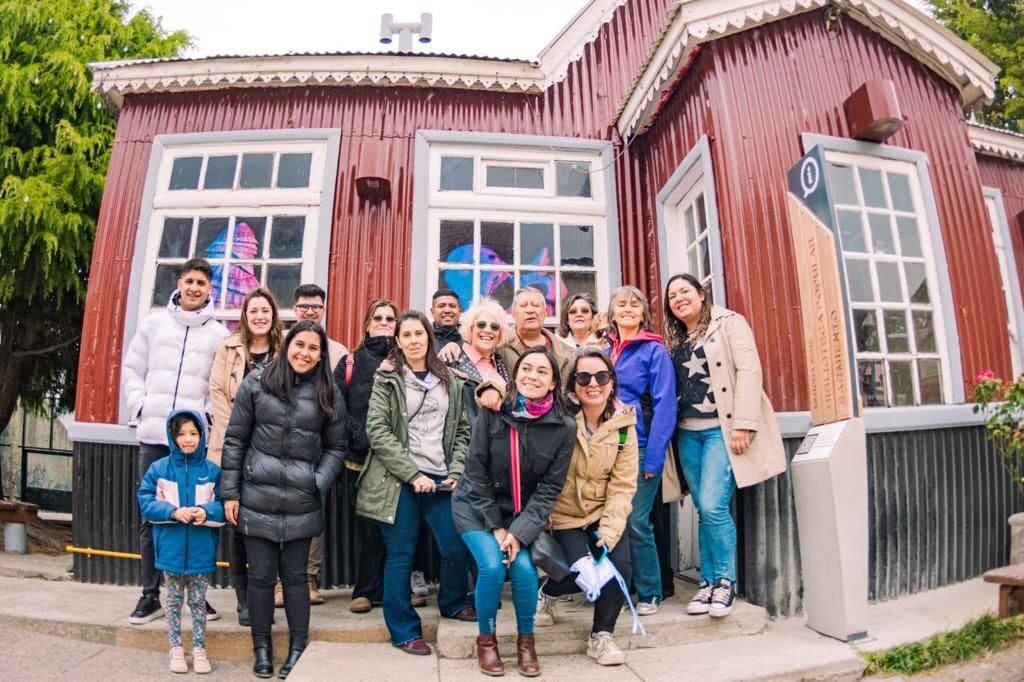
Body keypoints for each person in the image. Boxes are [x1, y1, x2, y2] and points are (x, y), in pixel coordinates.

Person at [221, 321, 347, 678]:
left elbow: (337, 446)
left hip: (301, 500)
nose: (304, 353)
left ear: (321, 355)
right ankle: (261, 649)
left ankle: (297, 646)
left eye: (313, 348)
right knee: (260, 578)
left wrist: (317, 480)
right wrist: (230, 492)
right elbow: (235, 440)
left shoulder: (329, 393)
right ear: (287, 344)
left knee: (294, 578)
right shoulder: (256, 383)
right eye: (299, 345)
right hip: (255, 496)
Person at [664, 274, 786, 618]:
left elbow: (749, 370)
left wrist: (744, 423)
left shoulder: (729, 323)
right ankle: (706, 584)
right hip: (687, 434)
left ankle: (725, 582)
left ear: (701, 294)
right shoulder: (674, 337)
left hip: (722, 430)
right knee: (703, 508)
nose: (679, 298)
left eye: (685, 291)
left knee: (715, 506)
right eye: (672, 295)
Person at [356, 311, 476, 656]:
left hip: (441, 477)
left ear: (429, 338)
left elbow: (462, 430)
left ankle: (452, 601)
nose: (412, 340)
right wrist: (412, 474)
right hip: (399, 480)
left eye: (418, 333)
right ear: (398, 341)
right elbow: (377, 430)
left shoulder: (450, 380)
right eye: (405, 335)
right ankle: (404, 629)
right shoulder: (388, 378)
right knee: (400, 555)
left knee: (456, 546)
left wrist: (455, 471)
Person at [452, 346, 575, 677]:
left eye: (542, 372)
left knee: (523, 571)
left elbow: (550, 488)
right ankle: (486, 642)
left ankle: (526, 643)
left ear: (553, 384)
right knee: (492, 567)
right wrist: (496, 528)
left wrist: (518, 532)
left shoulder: (564, 427)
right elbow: (475, 473)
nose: (532, 376)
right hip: (476, 507)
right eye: (526, 369)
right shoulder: (493, 412)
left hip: (520, 514)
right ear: (515, 375)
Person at [122, 257, 229, 624]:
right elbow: (133, 369)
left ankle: (196, 594)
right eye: (189, 281)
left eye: (202, 282)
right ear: (179, 284)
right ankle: (150, 594)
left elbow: (220, 386)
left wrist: (208, 421)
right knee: (154, 515)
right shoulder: (153, 325)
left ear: (209, 289)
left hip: (193, 443)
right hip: (154, 436)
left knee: (198, 514)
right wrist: (140, 407)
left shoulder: (219, 335)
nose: (195, 288)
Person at [535, 347, 637, 666]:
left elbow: (622, 486)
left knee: (617, 567)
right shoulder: (559, 419)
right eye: (584, 376)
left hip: (600, 513)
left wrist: (609, 530)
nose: (593, 383)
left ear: (611, 382)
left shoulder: (623, 428)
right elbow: (539, 467)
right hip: (564, 515)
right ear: (573, 384)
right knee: (577, 572)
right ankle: (549, 593)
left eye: (601, 376)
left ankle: (601, 637)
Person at [208, 287, 283, 626]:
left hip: (272, 450)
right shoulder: (228, 347)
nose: (259, 316)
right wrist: (234, 435)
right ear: (245, 315)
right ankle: (243, 600)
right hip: (233, 447)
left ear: (273, 315)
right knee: (236, 527)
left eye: (265, 310)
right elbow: (218, 394)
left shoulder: (284, 350)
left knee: (268, 528)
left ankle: (264, 593)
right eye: (254, 311)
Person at [603, 285, 677, 615]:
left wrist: (655, 455)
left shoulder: (653, 351)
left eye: (635, 305)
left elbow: (664, 406)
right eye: (622, 304)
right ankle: (616, 588)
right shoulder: (604, 350)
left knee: (636, 521)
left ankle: (650, 591)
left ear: (643, 314)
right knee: (609, 520)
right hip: (607, 444)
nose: (628, 309)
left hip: (641, 444)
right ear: (612, 312)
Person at [137, 410, 225, 675]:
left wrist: (206, 512)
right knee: (173, 602)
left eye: (194, 433)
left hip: (201, 552)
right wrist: (172, 512)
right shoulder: (159, 469)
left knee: (198, 603)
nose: (188, 439)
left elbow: (223, 505)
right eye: (181, 434)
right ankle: (175, 648)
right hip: (170, 551)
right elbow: (146, 502)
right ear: (172, 437)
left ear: (202, 435)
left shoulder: (212, 471)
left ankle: (199, 649)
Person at [334, 298, 399, 614]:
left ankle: (395, 589)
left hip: (399, 461)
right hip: (359, 459)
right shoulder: (350, 362)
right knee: (367, 529)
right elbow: (336, 407)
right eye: (378, 317)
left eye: (390, 317)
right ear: (367, 324)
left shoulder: (406, 359)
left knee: (399, 528)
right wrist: (357, 436)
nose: (385, 322)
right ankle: (365, 590)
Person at [292, 283, 349, 605]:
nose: (310, 312)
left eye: (315, 307)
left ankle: (309, 578)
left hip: (318, 447)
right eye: (304, 306)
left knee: (313, 515)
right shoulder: (282, 346)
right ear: (295, 308)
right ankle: (278, 582)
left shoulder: (338, 352)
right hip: (279, 445)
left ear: (323, 310)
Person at [447, 298, 511, 422]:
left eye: (495, 327)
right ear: (470, 329)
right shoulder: (452, 360)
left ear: (500, 334)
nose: (488, 330)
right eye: (481, 325)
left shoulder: (501, 365)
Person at [496, 286, 574, 376]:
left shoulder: (568, 354)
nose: (530, 310)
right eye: (523, 305)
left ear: (546, 313)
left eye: (536, 305)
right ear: (513, 314)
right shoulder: (499, 346)